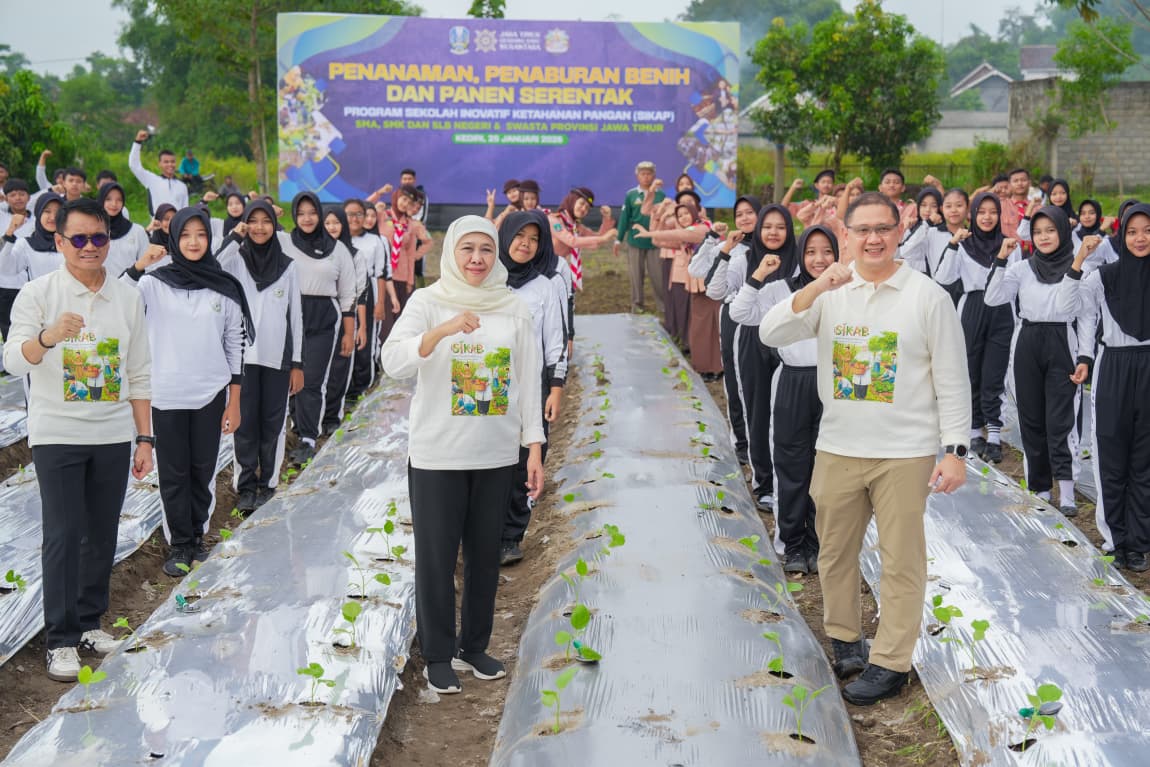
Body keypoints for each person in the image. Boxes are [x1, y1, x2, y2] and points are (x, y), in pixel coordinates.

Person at [759, 191, 970, 706]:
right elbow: (770, 332)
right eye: (862, 230)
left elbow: (952, 377)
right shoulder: (832, 292)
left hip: (904, 451)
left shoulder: (926, 296)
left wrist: (955, 450)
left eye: (883, 229)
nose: (873, 239)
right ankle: (846, 641)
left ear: (899, 232)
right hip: (838, 447)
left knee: (901, 561)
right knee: (834, 552)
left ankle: (891, 662)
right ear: (846, 235)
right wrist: (817, 285)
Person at [380, 215, 544, 695]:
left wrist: (533, 446)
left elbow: (527, 380)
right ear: (451, 252)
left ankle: (473, 646)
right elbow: (393, 361)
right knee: (436, 557)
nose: (477, 259)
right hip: (438, 455)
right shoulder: (428, 302)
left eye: (486, 250)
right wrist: (443, 330)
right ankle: (437, 653)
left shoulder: (513, 308)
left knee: (484, 556)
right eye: (467, 249)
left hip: (495, 453)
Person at [3, 197, 153, 681]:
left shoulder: (127, 298)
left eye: (99, 237)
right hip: (57, 434)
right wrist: (48, 338)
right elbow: (12, 360)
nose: (91, 247)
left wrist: (144, 437)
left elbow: (139, 372)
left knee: (102, 532)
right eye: (80, 238)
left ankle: (90, 623)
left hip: (111, 434)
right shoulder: (39, 294)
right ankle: (61, 639)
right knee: (64, 533)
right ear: (60, 241)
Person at [124, 208, 252, 576]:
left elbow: (235, 345)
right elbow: (118, 299)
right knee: (174, 472)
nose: (193, 242)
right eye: (185, 235)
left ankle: (198, 536)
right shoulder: (152, 284)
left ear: (210, 239)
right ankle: (179, 543)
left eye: (201, 234)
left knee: (203, 470)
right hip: (165, 395)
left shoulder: (224, 287)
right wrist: (139, 265)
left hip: (210, 394)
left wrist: (234, 401)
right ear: (174, 239)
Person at [731, 225, 839, 571]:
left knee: (829, 466)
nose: (819, 259)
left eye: (827, 251)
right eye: (811, 252)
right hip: (793, 381)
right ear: (800, 254)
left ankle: (820, 541)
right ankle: (792, 543)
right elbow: (740, 313)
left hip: (835, 384)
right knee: (791, 462)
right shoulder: (780, 290)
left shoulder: (846, 291)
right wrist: (758, 276)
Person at [985, 206, 1098, 516]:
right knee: (1031, 419)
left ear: (1063, 231)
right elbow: (992, 297)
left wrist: (1085, 356)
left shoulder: (1080, 267)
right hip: (1027, 342)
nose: (1044, 237)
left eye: (1050, 230)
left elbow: (1086, 317)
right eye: (1037, 232)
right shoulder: (1022, 269)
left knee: (1061, 420)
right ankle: (1041, 489)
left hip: (1062, 341)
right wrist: (1001, 258)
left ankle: (1067, 492)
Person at [1056, 203, 1150, 572]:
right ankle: (1115, 540)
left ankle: (1138, 544)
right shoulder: (1103, 277)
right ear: (1121, 235)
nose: (1140, 238)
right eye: (1132, 232)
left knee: (1144, 459)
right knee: (1111, 454)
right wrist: (1079, 259)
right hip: (1114, 366)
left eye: (1147, 230)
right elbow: (1068, 307)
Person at [216, 200, 304, 513]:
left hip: (277, 359)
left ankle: (268, 484)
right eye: (252, 221)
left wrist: (297, 363)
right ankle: (245, 487)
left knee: (273, 424)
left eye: (265, 221)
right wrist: (235, 234)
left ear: (274, 226)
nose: (259, 227)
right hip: (242, 359)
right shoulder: (236, 260)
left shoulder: (288, 266)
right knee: (244, 424)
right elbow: (214, 265)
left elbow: (296, 317)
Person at [497, 211, 567, 565]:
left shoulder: (544, 286)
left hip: (531, 385)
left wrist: (555, 388)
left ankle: (510, 536)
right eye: (519, 236)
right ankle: (479, 531)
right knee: (490, 457)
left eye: (534, 239)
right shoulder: (488, 280)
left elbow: (555, 341)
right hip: (491, 381)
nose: (525, 244)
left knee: (527, 458)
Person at [934, 192, 1021, 462]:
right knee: (970, 369)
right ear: (972, 215)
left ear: (999, 215)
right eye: (981, 212)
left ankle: (994, 433)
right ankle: (973, 431)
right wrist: (952, 244)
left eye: (992, 212)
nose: (987, 217)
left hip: (1001, 310)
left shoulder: (1009, 245)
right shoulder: (963, 244)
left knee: (995, 372)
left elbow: (1015, 281)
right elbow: (943, 277)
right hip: (972, 307)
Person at [282, 192, 357, 465]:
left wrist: (348, 333)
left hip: (323, 317)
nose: (306, 218)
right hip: (289, 315)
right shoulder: (284, 242)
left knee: (312, 380)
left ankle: (308, 439)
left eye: (312, 213)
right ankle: (295, 426)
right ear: (294, 215)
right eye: (301, 213)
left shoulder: (337, 250)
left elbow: (348, 294)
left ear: (320, 214)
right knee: (289, 377)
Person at [695, 195, 760, 464]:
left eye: (750, 212)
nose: (744, 218)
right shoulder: (731, 246)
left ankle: (761, 439)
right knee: (736, 379)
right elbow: (699, 271)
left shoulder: (773, 246)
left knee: (761, 382)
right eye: (739, 214)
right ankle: (741, 441)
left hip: (765, 317)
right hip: (735, 317)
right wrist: (716, 242)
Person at [615, 161, 666, 314]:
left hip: (655, 243)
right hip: (635, 241)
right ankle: (637, 305)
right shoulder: (631, 195)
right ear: (637, 176)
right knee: (636, 276)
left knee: (658, 276)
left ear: (654, 176)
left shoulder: (661, 195)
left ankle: (663, 306)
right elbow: (624, 218)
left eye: (649, 174)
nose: (646, 177)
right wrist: (618, 239)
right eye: (643, 174)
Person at [0, 193, 65, 288]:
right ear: (39, 213)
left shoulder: (72, 242)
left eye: (58, 212)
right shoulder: (26, 244)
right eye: (47, 211)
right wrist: (10, 232)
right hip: (39, 296)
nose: (52, 217)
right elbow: (5, 269)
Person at [0, 180, 34, 338]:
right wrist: (10, 230)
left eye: (22, 194)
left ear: (29, 197)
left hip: (28, 285)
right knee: (6, 328)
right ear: (6, 198)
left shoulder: (38, 221)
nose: (18, 198)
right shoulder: (1, 217)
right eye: (13, 195)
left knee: (28, 328)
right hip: (4, 284)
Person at [129, 129, 189, 215]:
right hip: (157, 222)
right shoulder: (152, 180)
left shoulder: (182, 186)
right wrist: (137, 142)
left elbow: (185, 210)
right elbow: (134, 165)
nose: (170, 164)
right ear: (159, 164)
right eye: (166, 162)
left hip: (176, 222)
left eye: (172, 161)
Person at [99, 183, 150, 277]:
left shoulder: (137, 231)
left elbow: (147, 264)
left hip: (131, 284)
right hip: (100, 284)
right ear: (101, 200)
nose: (114, 204)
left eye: (119, 200)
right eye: (108, 199)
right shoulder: (92, 231)